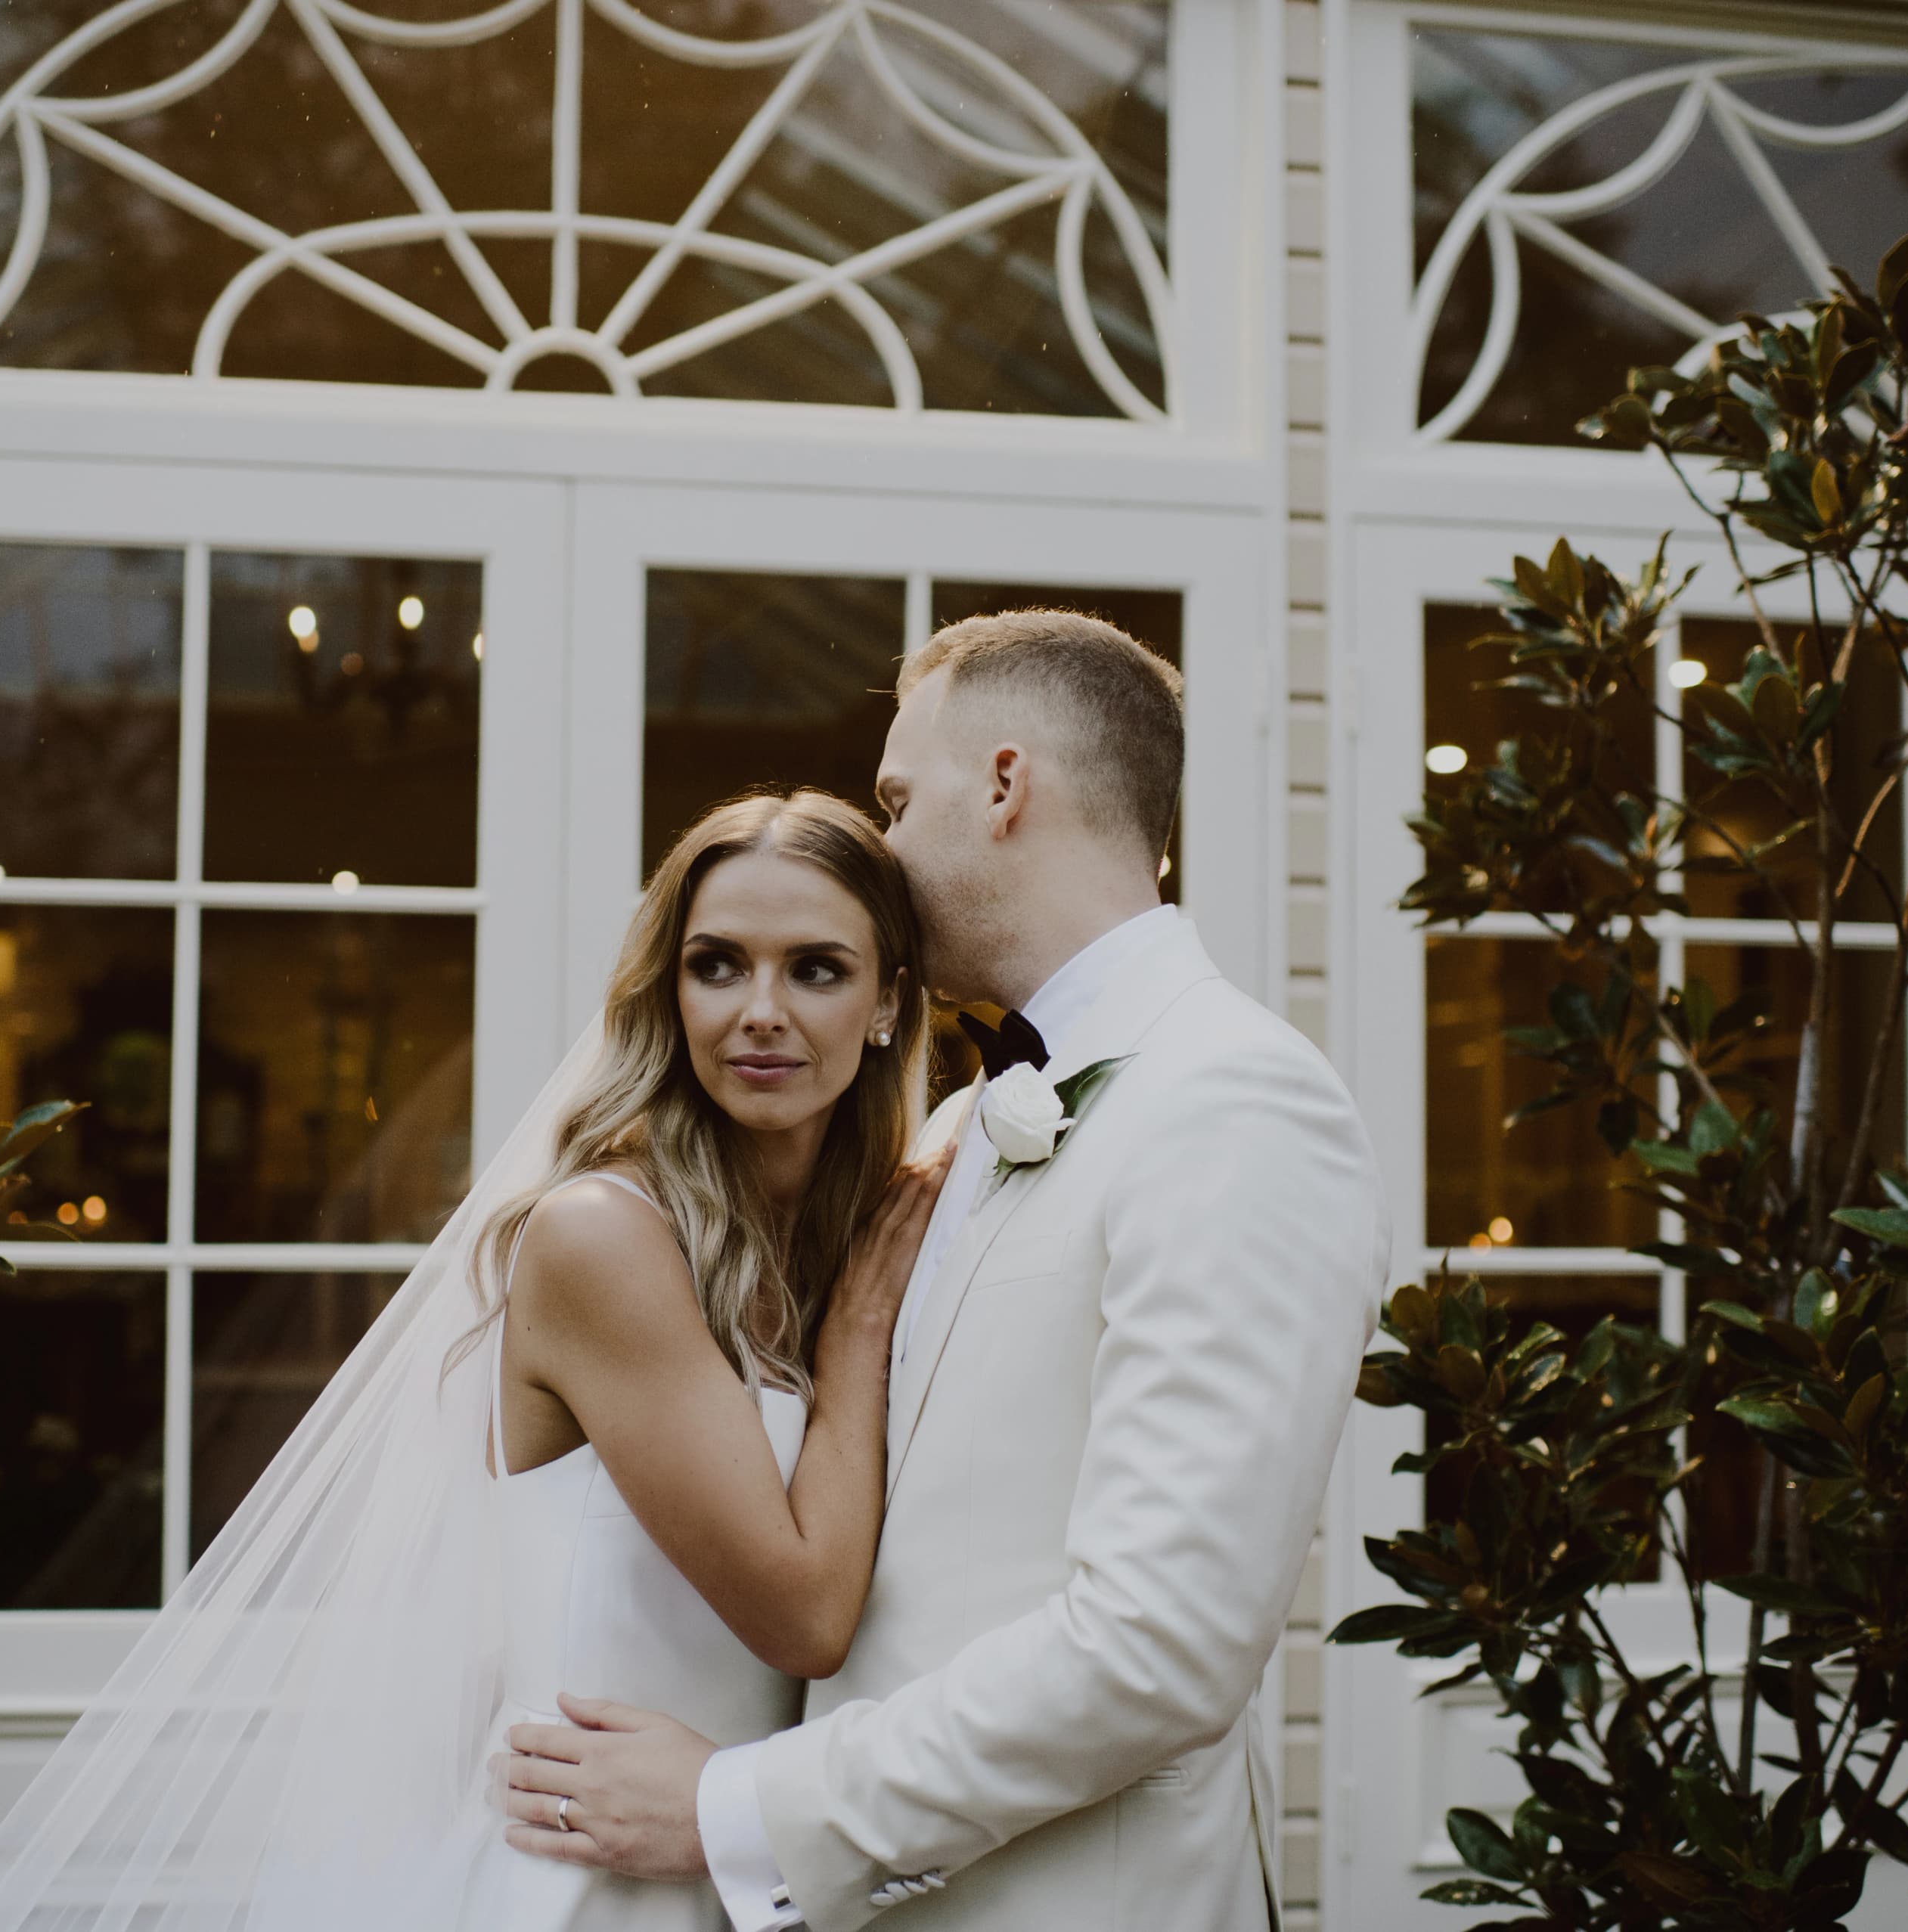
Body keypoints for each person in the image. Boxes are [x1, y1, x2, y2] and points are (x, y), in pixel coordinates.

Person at [495, 610, 1389, 1931]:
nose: (887, 848)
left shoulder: (1236, 1099)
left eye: (900, 799)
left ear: (1007, 785)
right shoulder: (962, 1126)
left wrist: (745, 1811)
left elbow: (1159, 1651)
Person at [0, 790, 942, 1931]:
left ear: (890, 1004)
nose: (760, 1011)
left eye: (815, 970)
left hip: (753, 1873)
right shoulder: (605, 1238)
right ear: (669, 992)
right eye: (716, 966)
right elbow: (801, 1619)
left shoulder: (856, 1242)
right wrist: (855, 1338)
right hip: (585, 1889)